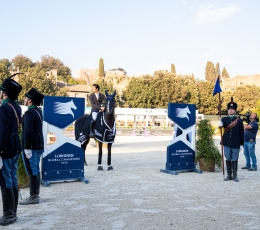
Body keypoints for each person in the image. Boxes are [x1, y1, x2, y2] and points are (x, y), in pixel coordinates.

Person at [0, 76, 22, 226]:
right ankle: (13, 213)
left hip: (6, 148)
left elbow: (3, 131)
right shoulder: (16, 106)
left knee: (6, 179)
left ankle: (8, 215)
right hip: (15, 147)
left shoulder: (4, 108)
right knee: (12, 178)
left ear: (5, 93)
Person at [19, 88, 44, 205]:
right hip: (38, 145)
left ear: (30, 101)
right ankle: (35, 195)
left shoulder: (29, 113)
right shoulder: (38, 111)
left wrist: (27, 147)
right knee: (36, 169)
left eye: (26, 98)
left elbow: (28, 131)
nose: (24, 99)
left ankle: (34, 196)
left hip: (31, 146)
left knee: (32, 170)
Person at [219, 99, 244, 182]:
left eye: (232, 109)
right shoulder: (224, 119)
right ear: (227, 110)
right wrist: (220, 124)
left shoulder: (239, 121)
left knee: (234, 159)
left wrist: (241, 143)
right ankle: (229, 175)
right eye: (229, 109)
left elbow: (241, 132)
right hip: (226, 142)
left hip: (236, 143)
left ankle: (235, 176)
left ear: (235, 110)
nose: (231, 110)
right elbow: (222, 127)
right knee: (228, 158)